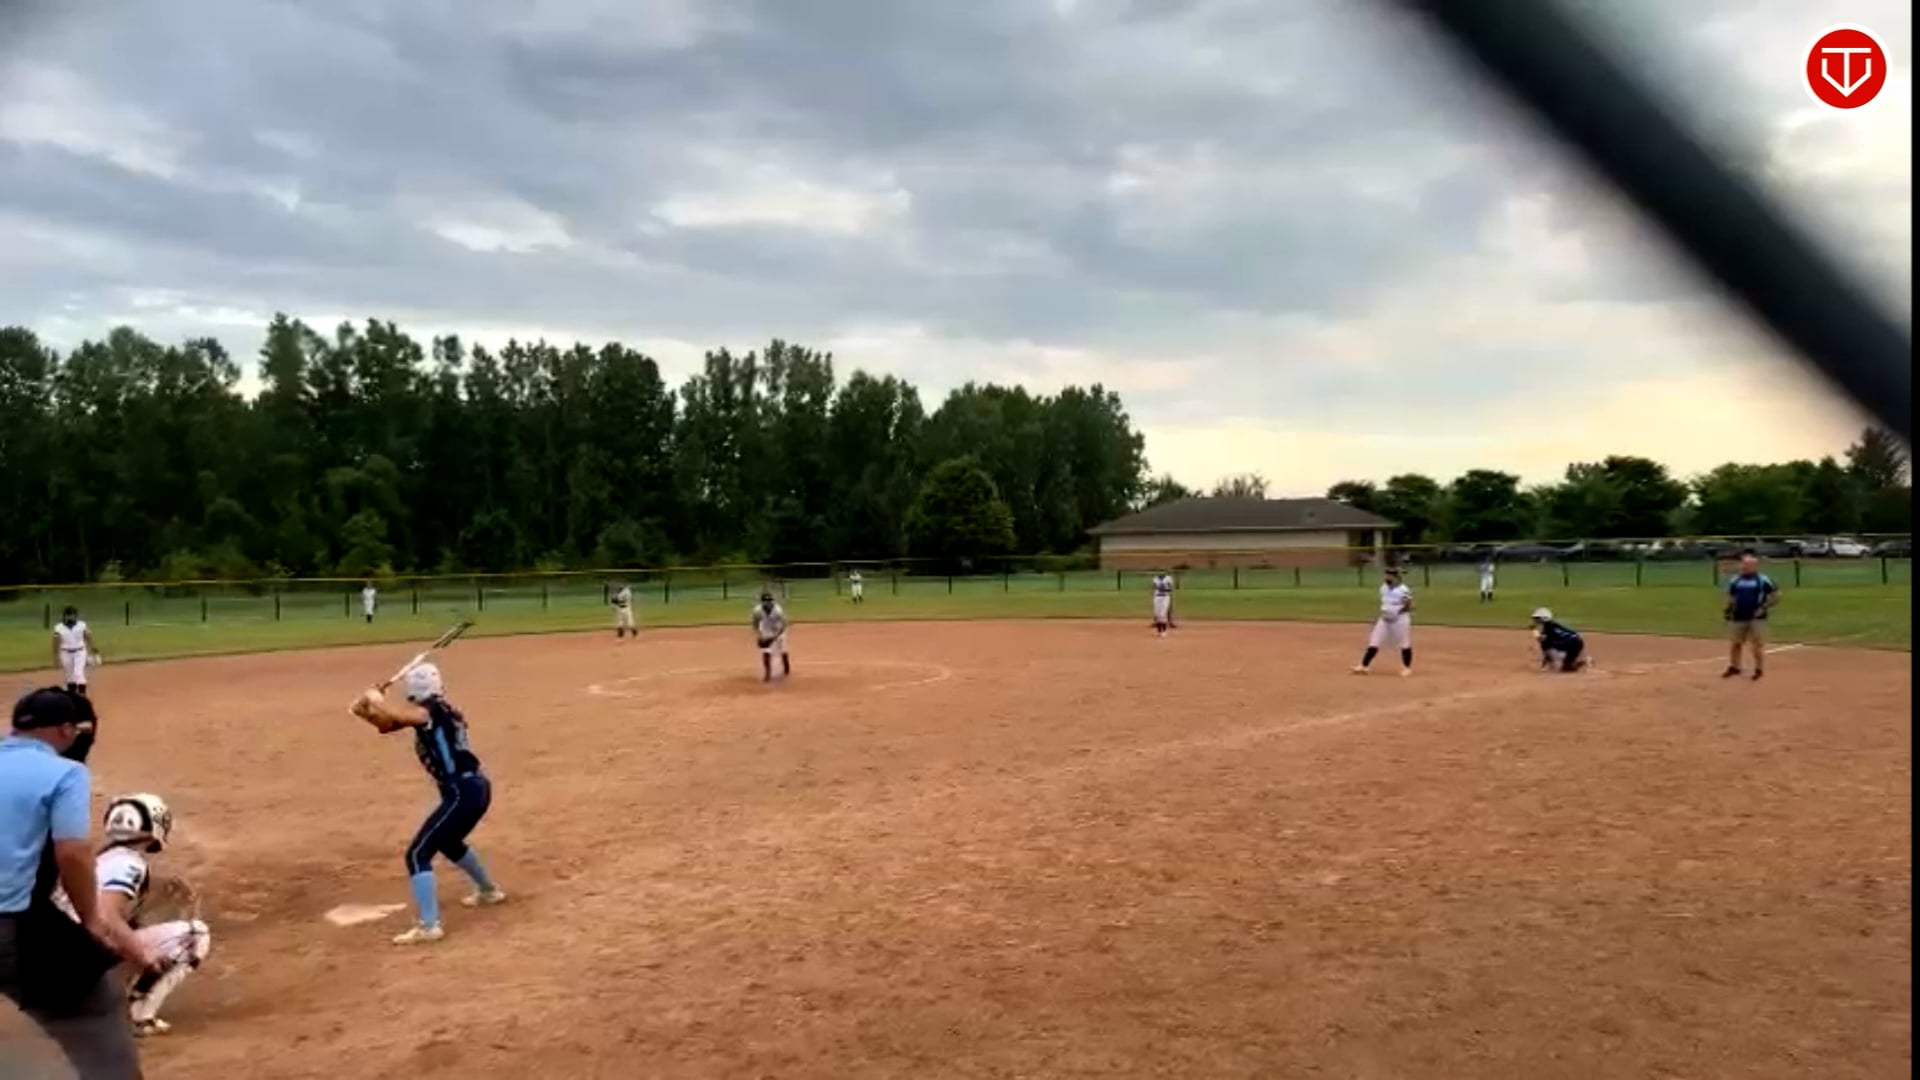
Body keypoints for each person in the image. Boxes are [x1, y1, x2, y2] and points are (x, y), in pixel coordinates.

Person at [1, 687, 153, 1078]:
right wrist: (91, 922)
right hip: (13, 924)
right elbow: (72, 853)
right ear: (66, 730)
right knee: (98, 1004)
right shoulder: (65, 773)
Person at [349, 664, 507, 945]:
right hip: (472, 789)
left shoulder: (431, 711)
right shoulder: (439, 711)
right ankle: (488, 891)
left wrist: (377, 698)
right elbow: (386, 724)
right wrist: (364, 708)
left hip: (462, 792)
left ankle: (429, 926)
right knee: (448, 841)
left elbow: (399, 715)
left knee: (417, 854)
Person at [51, 793, 212, 1037]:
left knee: (126, 930)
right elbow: (106, 914)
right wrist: (142, 954)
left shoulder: (98, 857)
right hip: (77, 965)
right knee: (194, 936)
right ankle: (138, 1015)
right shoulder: (129, 864)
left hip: (49, 962)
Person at [1723, 551, 1780, 680]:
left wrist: (1763, 607)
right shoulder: (1735, 579)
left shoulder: (1763, 579)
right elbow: (1731, 595)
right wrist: (1729, 609)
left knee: (1756, 645)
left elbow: (1776, 596)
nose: (1744, 567)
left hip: (1756, 617)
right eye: (1743, 564)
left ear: (1754, 566)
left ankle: (1758, 669)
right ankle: (1735, 667)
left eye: (1748, 565)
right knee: (1735, 643)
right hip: (1738, 616)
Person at [1352, 566, 1415, 677]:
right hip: (1384, 619)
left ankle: (1407, 668)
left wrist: (1397, 612)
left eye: (1390, 575)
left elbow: (1411, 605)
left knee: (1404, 643)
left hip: (1400, 620)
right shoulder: (1384, 588)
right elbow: (1385, 603)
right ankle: (1364, 666)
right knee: (1374, 641)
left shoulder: (1403, 590)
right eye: (1386, 575)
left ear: (1396, 577)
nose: (1387, 577)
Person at [52, 607, 97, 697]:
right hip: (65, 653)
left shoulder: (82, 625)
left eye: (72, 615)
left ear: (75, 616)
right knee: (69, 675)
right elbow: (55, 641)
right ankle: (72, 696)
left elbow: (88, 637)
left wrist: (92, 650)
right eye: (68, 615)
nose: (70, 617)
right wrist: (56, 657)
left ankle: (82, 695)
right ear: (64, 616)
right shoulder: (58, 627)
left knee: (78, 673)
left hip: (80, 652)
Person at [1529, 607, 1589, 672]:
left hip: (1573, 642)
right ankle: (1581, 661)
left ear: (1544, 618)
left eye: (1538, 618)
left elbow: (1545, 645)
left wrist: (1536, 633)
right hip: (1575, 641)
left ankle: (1580, 660)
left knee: (1549, 645)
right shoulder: (1552, 625)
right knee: (1566, 667)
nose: (1537, 621)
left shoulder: (1548, 627)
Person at [753, 590, 791, 683]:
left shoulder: (778, 610)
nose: (768, 603)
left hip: (778, 630)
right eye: (766, 601)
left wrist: (774, 637)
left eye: (769, 600)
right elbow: (755, 623)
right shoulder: (757, 611)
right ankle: (768, 673)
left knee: (783, 651)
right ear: (762, 602)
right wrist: (760, 635)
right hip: (766, 630)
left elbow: (784, 624)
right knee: (766, 652)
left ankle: (786, 668)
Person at [1150, 571, 1175, 637]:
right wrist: (1157, 588)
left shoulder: (1168, 578)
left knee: (1163, 614)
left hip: (1165, 597)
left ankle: (1164, 631)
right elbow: (1153, 588)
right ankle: (1159, 631)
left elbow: (1171, 589)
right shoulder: (1155, 579)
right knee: (1157, 614)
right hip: (1157, 597)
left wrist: (1165, 588)